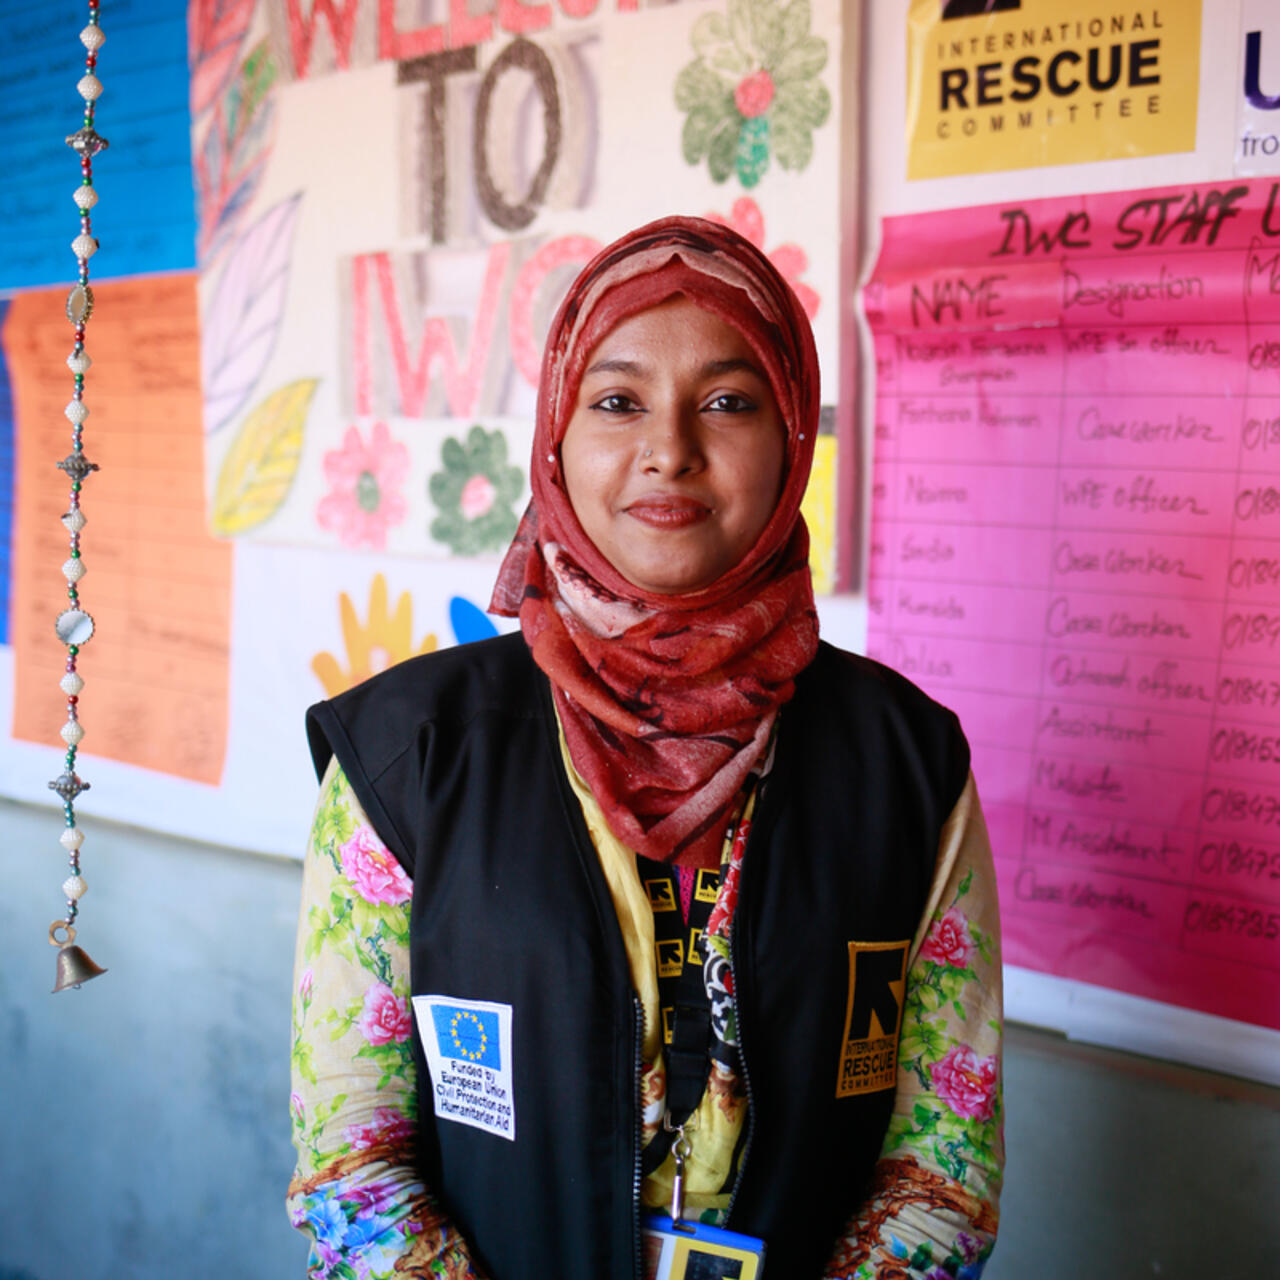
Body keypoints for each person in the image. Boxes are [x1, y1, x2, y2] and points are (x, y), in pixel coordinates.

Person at [287, 217, 1003, 1280]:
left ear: (794, 434)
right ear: (555, 439)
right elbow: (351, 1169)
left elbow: (941, 1166)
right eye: (616, 400)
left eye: (726, 401)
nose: (668, 447)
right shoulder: (408, 758)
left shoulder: (905, 763)